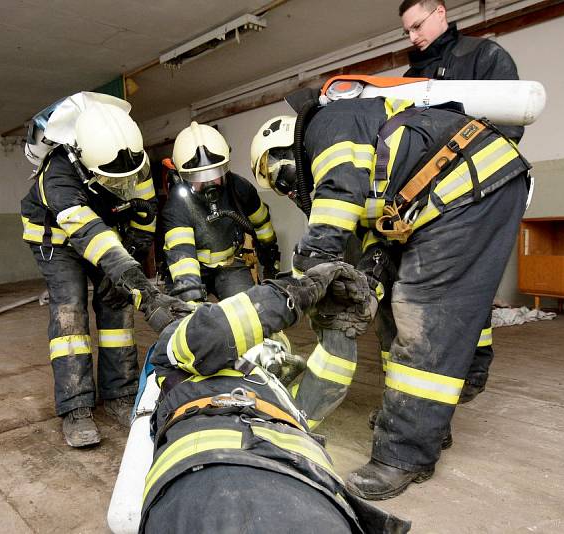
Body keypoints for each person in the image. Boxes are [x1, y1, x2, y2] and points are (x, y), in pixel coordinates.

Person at [250, 89, 531, 499]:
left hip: (470, 189)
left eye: (282, 177)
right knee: (393, 311)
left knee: (424, 314)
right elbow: (374, 243)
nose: (290, 190)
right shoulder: (368, 148)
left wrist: (306, 274)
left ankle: (404, 454)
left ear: (286, 150)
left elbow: (336, 203)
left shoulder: (325, 127)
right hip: (450, 193)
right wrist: (365, 285)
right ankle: (424, 418)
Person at [140, 260, 410, 534]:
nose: (272, 343)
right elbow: (216, 330)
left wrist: (337, 333)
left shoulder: (280, 392)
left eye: (277, 342)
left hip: (300, 489)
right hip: (205, 482)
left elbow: (327, 386)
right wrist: (297, 292)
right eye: (266, 336)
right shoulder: (176, 352)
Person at [20, 97, 190, 447]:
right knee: (70, 312)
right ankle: (75, 406)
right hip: (58, 240)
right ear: (81, 158)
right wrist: (146, 292)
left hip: (107, 233)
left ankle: (120, 394)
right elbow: (88, 236)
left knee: (117, 305)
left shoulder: (134, 161)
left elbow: (144, 219)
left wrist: (131, 269)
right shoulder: (58, 174)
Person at [398, 0, 524, 404]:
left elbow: (508, 129)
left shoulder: (484, 56)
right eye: (407, 31)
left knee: (473, 284)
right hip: (424, 202)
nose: (413, 35)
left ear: (441, 12)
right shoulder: (409, 79)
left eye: (418, 25)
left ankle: (475, 365)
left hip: (478, 192)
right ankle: (438, 368)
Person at [160, 122, 280, 304]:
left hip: (229, 265)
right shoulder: (176, 204)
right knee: (188, 320)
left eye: (214, 173)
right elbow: (182, 258)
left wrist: (270, 260)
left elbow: (262, 224)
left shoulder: (240, 188)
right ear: (181, 176)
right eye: (197, 177)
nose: (208, 182)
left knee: (248, 313)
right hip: (193, 268)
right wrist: (191, 298)